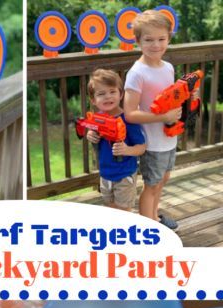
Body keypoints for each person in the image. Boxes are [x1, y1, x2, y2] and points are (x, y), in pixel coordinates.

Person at [124, 10, 183, 229]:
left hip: (169, 137)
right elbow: (129, 112)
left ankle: (155, 217)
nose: (156, 45)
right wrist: (163, 116)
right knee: (151, 185)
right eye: (149, 40)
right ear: (138, 40)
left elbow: (170, 98)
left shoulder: (168, 68)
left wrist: (186, 98)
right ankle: (149, 229)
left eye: (161, 39)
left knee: (163, 180)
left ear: (169, 38)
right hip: (152, 141)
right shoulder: (137, 73)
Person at [86, 69, 146, 212]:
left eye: (112, 92)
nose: (108, 97)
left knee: (124, 210)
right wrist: (90, 135)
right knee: (110, 207)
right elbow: (93, 135)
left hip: (124, 174)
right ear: (93, 100)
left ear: (121, 94)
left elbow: (142, 147)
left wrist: (127, 150)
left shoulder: (128, 119)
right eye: (101, 94)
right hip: (105, 173)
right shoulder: (97, 119)